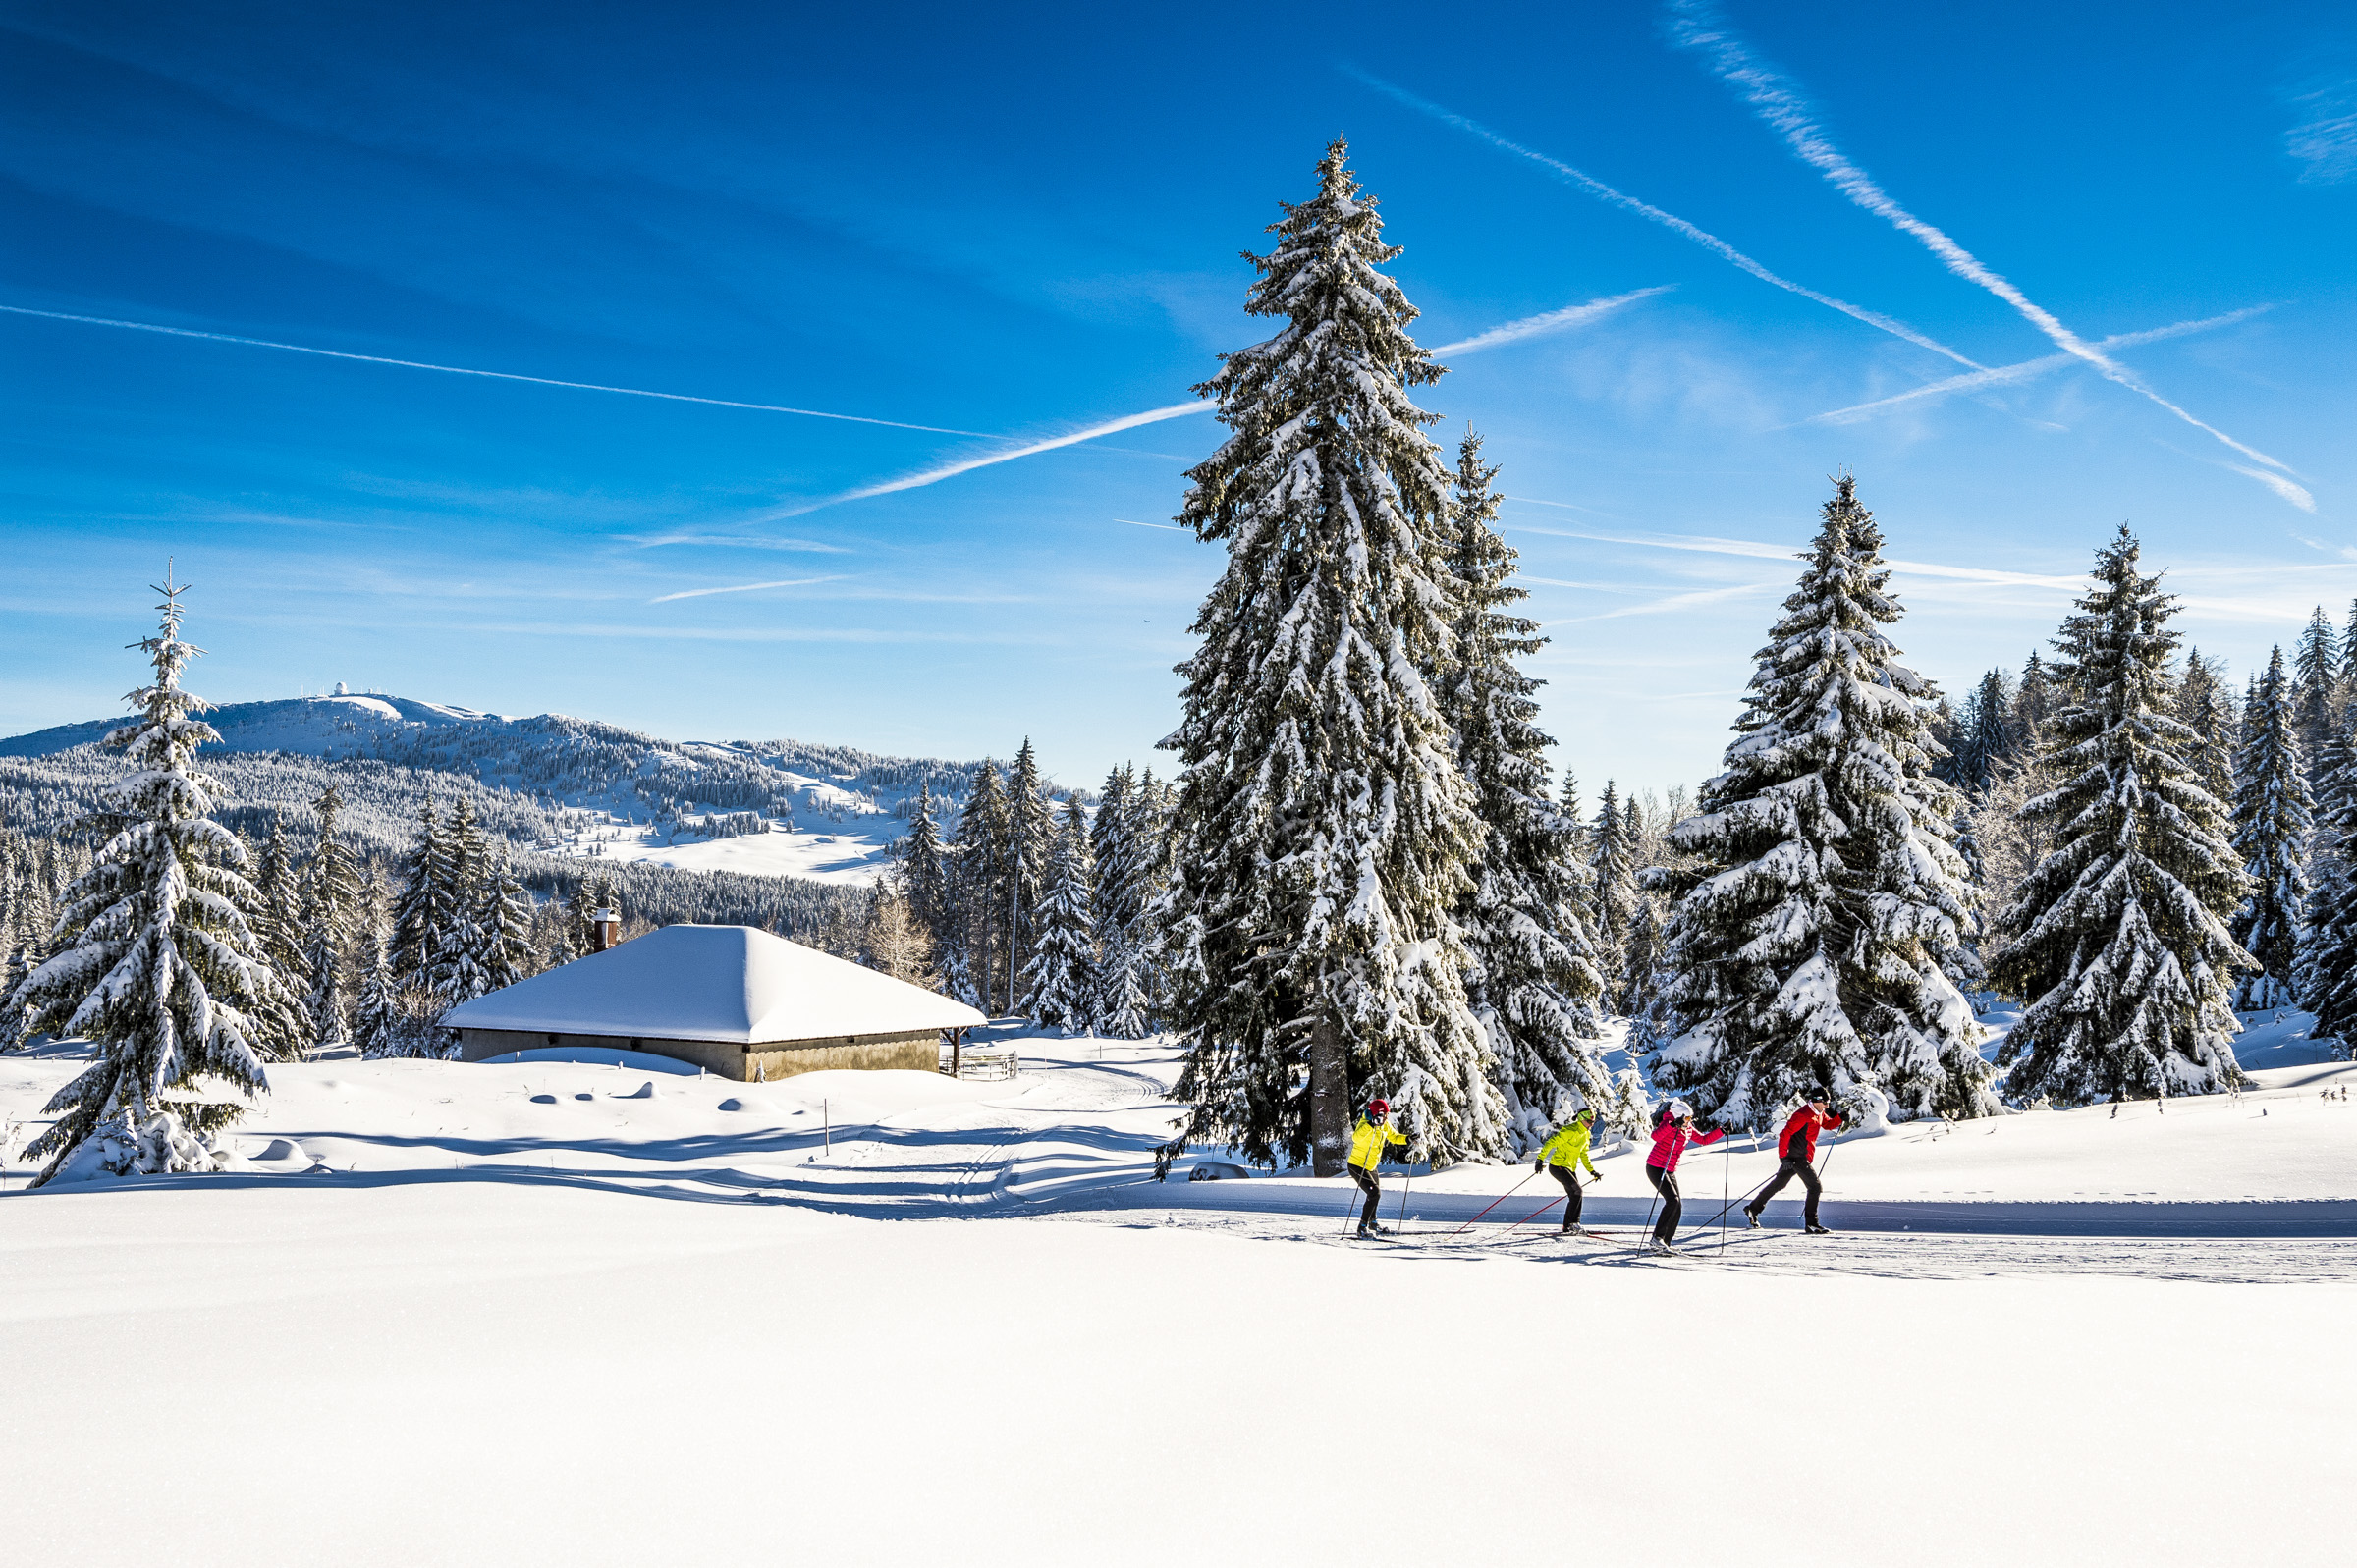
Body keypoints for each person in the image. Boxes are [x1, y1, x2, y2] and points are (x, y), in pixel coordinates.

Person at [1744, 1090, 1843, 1234]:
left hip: (1800, 1156)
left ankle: (1753, 1209)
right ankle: (1812, 1224)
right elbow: (1785, 1134)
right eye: (1825, 1103)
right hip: (1797, 1157)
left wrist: (1841, 1117)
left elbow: (1828, 1125)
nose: (1827, 1106)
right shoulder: (1802, 1115)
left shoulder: (1818, 1113)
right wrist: (1783, 1157)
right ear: (1816, 1100)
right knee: (1815, 1187)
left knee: (1779, 1183)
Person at [1644, 1100, 1724, 1254]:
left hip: (1670, 1169)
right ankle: (1657, 1238)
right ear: (1679, 1116)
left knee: (1677, 1206)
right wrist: (1672, 1125)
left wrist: (1722, 1131)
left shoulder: (1687, 1129)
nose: (1690, 1121)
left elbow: (1703, 1139)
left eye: (1690, 1117)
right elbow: (1655, 1136)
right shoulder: (1668, 1124)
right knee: (1672, 1200)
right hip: (1656, 1167)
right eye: (1687, 1118)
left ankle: (1665, 1242)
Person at [1533, 1106, 1602, 1234]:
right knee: (1577, 1191)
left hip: (1569, 1167)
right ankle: (1574, 1224)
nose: (1591, 1124)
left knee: (1574, 1195)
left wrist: (1592, 1171)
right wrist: (1539, 1160)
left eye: (1593, 1122)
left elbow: (1584, 1154)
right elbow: (1550, 1143)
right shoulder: (1570, 1131)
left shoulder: (1586, 1134)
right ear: (1581, 1119)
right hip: (1557, 1166)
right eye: (1589, 1121)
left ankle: (1567, 1226)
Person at [1347, 1098, 1408, 1237]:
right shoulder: (1365, 1123)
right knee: (1374, 1193)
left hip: (1371, 1166)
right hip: (1357, 1166)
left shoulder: (1384, 1125)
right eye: (1385, 1114)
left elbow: (1394, 1137)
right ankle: (1362, 1227)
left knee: (1375, 1194)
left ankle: (1372, 1223)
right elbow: (1356, 1138)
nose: (1387, 1117)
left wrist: (1408, 1139)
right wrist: (1371, 1125)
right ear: (1377, 1114)